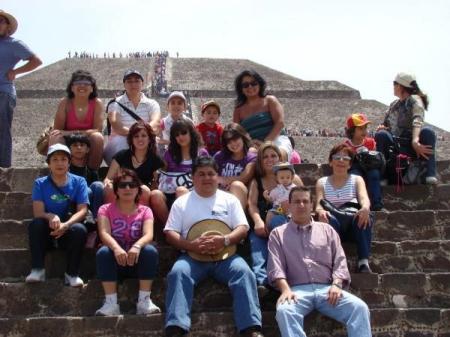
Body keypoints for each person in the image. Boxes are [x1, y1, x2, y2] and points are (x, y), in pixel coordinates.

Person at [164, 156, 264, 337]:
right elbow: (170, 232)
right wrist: (190, 245)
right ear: (193, 177)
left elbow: (242, 228)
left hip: (227, 256)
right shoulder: (182, 202)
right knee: (178, 272)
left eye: (211, 174)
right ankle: (176, 327)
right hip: (193, 257)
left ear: (218, 177)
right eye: (201, 174)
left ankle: (251, 329)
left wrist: (225, 240)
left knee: (244, 272)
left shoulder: (229, 200)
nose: (207, 178)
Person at [267, 186, 372, 337]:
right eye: (296, 202)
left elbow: (340, 261)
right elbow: (275, 266)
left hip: (328, 289)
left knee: (359, 308)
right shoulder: (278, 234)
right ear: (289, 205)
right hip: (297, 291)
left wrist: (337, 284)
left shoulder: (327, 230)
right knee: (285, 311)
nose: (301, 205)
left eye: (305, 201)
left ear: (312, 205)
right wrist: (285, 289)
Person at [95, 169, 160, 316]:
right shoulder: (105, 209)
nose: (127, 188)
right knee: (104, 252)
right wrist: (116, 248)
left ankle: (144, 301)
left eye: (132, 185)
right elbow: (104, 233)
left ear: (138, 189)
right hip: (115, 262)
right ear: (116, 189)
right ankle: (111, 303)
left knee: (150, 251)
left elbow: (149, 234)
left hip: (137, 262)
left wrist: (136, 246)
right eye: (122, 185)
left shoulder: (145, 210)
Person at [26, 144, 89, 287]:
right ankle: (38, 269)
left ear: (69, 162)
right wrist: (51, 217)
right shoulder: (40, 183)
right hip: (48, 230)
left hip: (68, 229)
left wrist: (66, 225)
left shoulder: (79, 182)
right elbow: (38, 212)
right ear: (49, 163)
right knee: (36, 225)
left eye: (63, 159)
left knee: (80, 230)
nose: (59, 163)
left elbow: (82, 210)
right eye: (55, 159)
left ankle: (72, 274)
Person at [247, 142, 303, 290]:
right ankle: (261, 282)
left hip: (286, 222)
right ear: (260, 160)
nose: (269, 159)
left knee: (280, 228)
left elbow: (305, 201)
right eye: (265, 156)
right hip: (263, 224)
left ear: (280, 158)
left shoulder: (293, 179)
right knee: (256, 243)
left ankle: (286, 276)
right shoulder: (256, 181)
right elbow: (251, 204)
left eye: (273, 155)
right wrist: (258, 221)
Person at [315, 144, 373, 273]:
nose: (341, 161)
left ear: (350, 164)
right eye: (337, 157)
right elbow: (319, 204)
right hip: (334, 222)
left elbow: (364, 198)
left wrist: (365, 208)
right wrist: (320, 211)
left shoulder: (357, 179)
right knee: (327, 218)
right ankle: (332, 261)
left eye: (345, 158)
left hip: (353, 222)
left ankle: (363, 261)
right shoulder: (322, 182)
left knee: (364, 216)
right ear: (330, 162)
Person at [375, 72, 437, 184]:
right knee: (381, 135)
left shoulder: (415, 100)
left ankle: (430, 173)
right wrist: (382, 128)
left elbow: (417, 120)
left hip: (411, 142)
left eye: (394, 84)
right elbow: (387, 125)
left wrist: (415, 141)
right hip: (396, 143)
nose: (393, 87)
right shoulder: (394, 104)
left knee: (428, 132)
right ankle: (382, 177)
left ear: (400, 85)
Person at [104, 121, 168, 224]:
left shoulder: (155, 159)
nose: (140, 139)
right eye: (136, 136)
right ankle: (109, 224)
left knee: (145, 190)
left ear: (149, 139)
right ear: (131, 139)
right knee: (109, 189)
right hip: (123, 190)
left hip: (144, 195)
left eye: (143, 136)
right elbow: (108, 178)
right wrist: (108, 183)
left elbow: (160, 179)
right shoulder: (121, 155)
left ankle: (143, 225)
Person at [0, 10, 42, 167]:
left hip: (3, 91)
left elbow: (36, 60)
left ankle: (3, 168)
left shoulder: (14, 44)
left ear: (8, 27)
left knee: (2, 128)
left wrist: (15, 72)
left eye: (1, 21)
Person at [48, 70, 104, 170]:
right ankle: (60, 171)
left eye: (87, 83)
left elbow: (97, 129)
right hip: (68, 139)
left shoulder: (97, 103)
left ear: (92, 88)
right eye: (78, 82)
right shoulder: (65, 102)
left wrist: (72, 132)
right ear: (72, 87)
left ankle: (92, 172)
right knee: (55, 137)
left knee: (98, 137)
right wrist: (67, 133)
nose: (82, 86)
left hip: (87, 138)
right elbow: (57, 129)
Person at [104, 70, 160, 165]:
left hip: (143, 140)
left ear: (142, 83)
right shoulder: (115, 103)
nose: (133, 84)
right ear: (124, 85)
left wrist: (140, 137)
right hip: (118, 144)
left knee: (153, 142)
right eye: (129, 81)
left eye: (137, 81)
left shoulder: (152, 104)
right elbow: (117, 126)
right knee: (123, 142)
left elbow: (155, 123)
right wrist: (138, 136)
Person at [233, 70, 292, 160]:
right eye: (245, 85)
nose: (250, 87)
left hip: (276, 140)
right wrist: (250, 143)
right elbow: (236, 132)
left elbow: (280, 123)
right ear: (241, 89)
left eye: (253, 83)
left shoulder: (270, 100)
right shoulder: (238, 109)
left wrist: (266, 143)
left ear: (260, 84)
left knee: (276, 157)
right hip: (252, 145)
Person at [160, 119, 208, 203]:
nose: (180, 137)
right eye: (177, 135)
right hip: (169, 194)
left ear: (191, 133)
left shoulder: (202, 153)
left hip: (195, 195)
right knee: (155, 195)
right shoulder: (169, 154)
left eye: (184, 133)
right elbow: (162, 174)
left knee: (181, 191)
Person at [343, 113, 383, 211]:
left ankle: (376, 202)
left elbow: (376, 156)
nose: (364, 131)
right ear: (352, 131)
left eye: (365, 128)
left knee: (374, 174)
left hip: (369, 166)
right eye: (360, 129)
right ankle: (355, 203)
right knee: (354, 177)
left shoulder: (370, 142)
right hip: (355, 167)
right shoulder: (346, 146)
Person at [213, 122, 256, 208]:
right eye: (229, 141)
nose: (233, 144)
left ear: (242, 137)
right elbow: (209, 173)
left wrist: (220, 179)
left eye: (235, 139)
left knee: (236, 185)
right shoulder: (220, 156)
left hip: (239, 197)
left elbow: (243, 178)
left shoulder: (251, 158)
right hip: (219, 195)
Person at [65, 133, 104, 219]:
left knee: (98, 185)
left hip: (89, 204)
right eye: (75, 145)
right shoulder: (65, 170)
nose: (78, 148)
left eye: (82, 145)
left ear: (87, 150)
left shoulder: (91, 171)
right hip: (71, 202)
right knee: (86, 190)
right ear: (69, 149)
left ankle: (97, 218)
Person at [263, 162, 296, 228]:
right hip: (278, 208)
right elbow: (272, 199)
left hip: (291, 208)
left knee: (293, 215)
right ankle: (267, 228)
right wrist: (266, 197)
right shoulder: (276, 190)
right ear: (277, 179)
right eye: (282, 178)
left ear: (292, 177)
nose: (285, 180)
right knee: (270, 213)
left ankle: (291, 226)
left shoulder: (294, 188)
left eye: (288, 177)